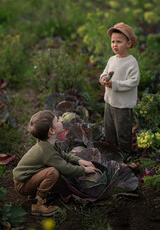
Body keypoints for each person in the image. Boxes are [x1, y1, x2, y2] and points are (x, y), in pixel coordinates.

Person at [13, 110, 96, 216]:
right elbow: (66, 169)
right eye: (57, 120)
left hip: (26, 178)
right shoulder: (47, 151)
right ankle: (37, 204)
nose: (60, 120)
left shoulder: (47, 143)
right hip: (22, 184)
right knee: (53, 172)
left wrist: (79, 160)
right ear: (51, 131)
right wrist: (84, 170)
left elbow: (62, 154)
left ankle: (33, 194)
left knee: (50, 170)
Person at [99, 22, 140, 162]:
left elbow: (133, 81)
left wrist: (114, 84)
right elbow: (105, 72)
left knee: (123, 131)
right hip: (110, 102)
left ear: (128, 44)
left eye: (119, 42)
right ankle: (111, 153)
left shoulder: (131, 62)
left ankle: (125, 155)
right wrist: (103, 78)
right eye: (113, 41)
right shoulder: (112, 59)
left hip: (123, 105)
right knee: (109, 129)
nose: (115, 45)